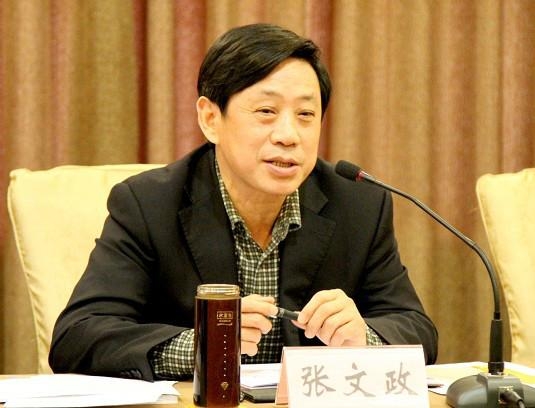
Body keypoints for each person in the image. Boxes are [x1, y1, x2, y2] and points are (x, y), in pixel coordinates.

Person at [49, 23, 438, 381]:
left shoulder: (359, 205)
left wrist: (364, 338)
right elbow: (77, 338)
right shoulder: (149, 204)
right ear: (210, 118)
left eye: (306, 114)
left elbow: (417, 329)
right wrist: (202, 347)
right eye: (266, 112)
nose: (288, 135)